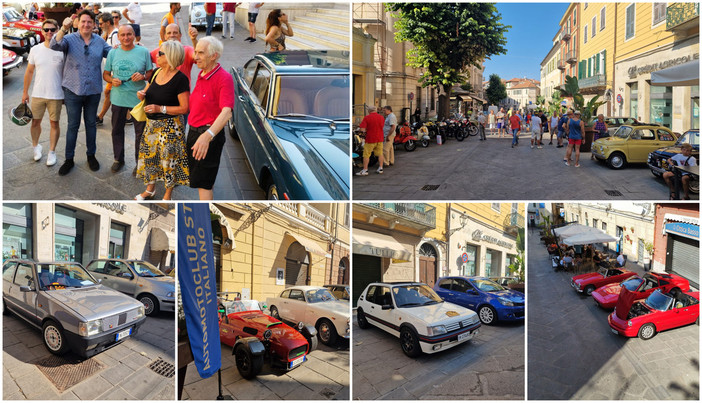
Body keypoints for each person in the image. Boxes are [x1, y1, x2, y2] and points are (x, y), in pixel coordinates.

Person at [51, 9, 112, 175]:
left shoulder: (100, 41)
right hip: (72, 90)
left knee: (91, 124)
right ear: (78, 22)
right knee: (73, 125)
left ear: (94, 24)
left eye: (89, 22)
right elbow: (54, 45)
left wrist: (132, 50)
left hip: (93, 91)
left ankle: (91, 155)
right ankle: (69, 159)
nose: (86, 24)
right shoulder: (69, 39)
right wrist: (63, 28)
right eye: (83, 21)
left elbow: (113, 54)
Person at [135, 40, 190, 200]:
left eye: (160, 53)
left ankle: (167, 195)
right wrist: (142, 94)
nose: (156, 55)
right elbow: (146, 90)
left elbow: (184, 108)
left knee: (169, 162)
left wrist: (161, 108)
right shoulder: (157, 72)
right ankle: (150, 189)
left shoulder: (181, 79)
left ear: (170, 56)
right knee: (150, 157)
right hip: (152, 125)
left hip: (170, 127)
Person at [187, 37, 235, 200]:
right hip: (195, 133)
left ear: (214, 56)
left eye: (201, 53)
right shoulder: (203, 73)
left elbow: (227, 112)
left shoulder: (224, 78)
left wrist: (207, 136)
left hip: (207, 135)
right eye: (195, 52)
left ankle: (203, 218)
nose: (196, 56)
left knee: (204, 184)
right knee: (205, 179)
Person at [103, 25, 153, 173]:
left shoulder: (143, 51)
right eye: (123, 35)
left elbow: (151, 73)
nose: (126, 38)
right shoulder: (113, 53)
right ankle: (118, 159)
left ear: (134, 35)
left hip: (138, 99)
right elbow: (105, 74)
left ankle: (140, 163)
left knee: (141, 133)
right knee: (117, 130)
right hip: (118, 98)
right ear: (118, 37)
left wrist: (143, 76)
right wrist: (112, 80)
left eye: (129, 34)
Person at [21, 19, 65, 167]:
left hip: (56, 94)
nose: (49, 32)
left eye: (52, 29)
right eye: (46, 29)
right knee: (35, 122)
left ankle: (52, 152)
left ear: (58, 30)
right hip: (38, 93)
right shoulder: (35, 50)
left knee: (54, 123)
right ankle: (36, 147)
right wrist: (25, 92)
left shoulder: (62, 49)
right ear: (42, 31)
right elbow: (29, 72)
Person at [96, 12, 120, 126]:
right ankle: (129, 116)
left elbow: (116, 54)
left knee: (108, 93)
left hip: (114, 73)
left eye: (101, 23)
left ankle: (100, 116)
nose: (99, 25)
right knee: (110, 93)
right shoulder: (110, 34)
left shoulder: (115, 35)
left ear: (107, 23)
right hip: (112, 72)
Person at [355, 105, 385, 176]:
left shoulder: (367, 118)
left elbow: (362, 129)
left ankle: (365, 170)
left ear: (369, 111)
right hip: (380, 138)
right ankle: (380, 168)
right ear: (376, 110)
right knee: (380, 154)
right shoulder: (381, 117)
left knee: (366, 155)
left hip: (370, 139)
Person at [382, 105, 397, 169]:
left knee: (385, 149)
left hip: (389, 135)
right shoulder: (389, 116)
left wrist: (388, 135)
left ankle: (386, 162)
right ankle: (391, 160)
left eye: (384, 110)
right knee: (390, 148)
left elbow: (393, 126)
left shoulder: (391, 117)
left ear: (389, 110)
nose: (383, 112)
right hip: (389, 134)